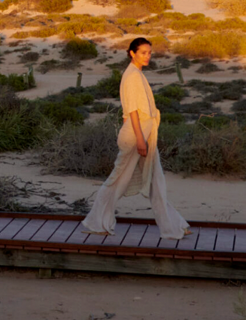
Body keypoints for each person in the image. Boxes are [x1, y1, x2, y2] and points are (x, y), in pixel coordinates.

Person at [79, 37, 190, 239]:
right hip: (136, 136)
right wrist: (139, 139)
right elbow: (132, 112)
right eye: (143, 53)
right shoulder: (131, 76)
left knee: (156, 181)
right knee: (117, 180)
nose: (147, 56)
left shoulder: (137, 74)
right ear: (132, 53)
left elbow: (129, 112)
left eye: (149, 53)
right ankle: (97, 221)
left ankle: (175, 225)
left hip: (144, 135)